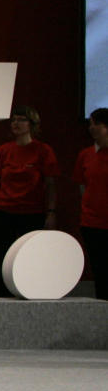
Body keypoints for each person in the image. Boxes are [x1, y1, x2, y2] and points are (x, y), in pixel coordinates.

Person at [0, 106, 58, 298]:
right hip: (3, 211)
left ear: (32, 124)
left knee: (28, 257)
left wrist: (51, 212)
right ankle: (2, 298)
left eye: (21, 120)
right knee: (1, 258)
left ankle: (28, 294)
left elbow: (50, 184)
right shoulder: (4, 150)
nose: (16, 123)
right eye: (14, 120)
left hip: (32, 213)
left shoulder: (43, 151)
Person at [74, 108, 108, 300]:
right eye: (90, 124)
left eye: (95, 123)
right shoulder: (85, 155)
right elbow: (82, 186)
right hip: (92, 224)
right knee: (100, 271)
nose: (91, 128)